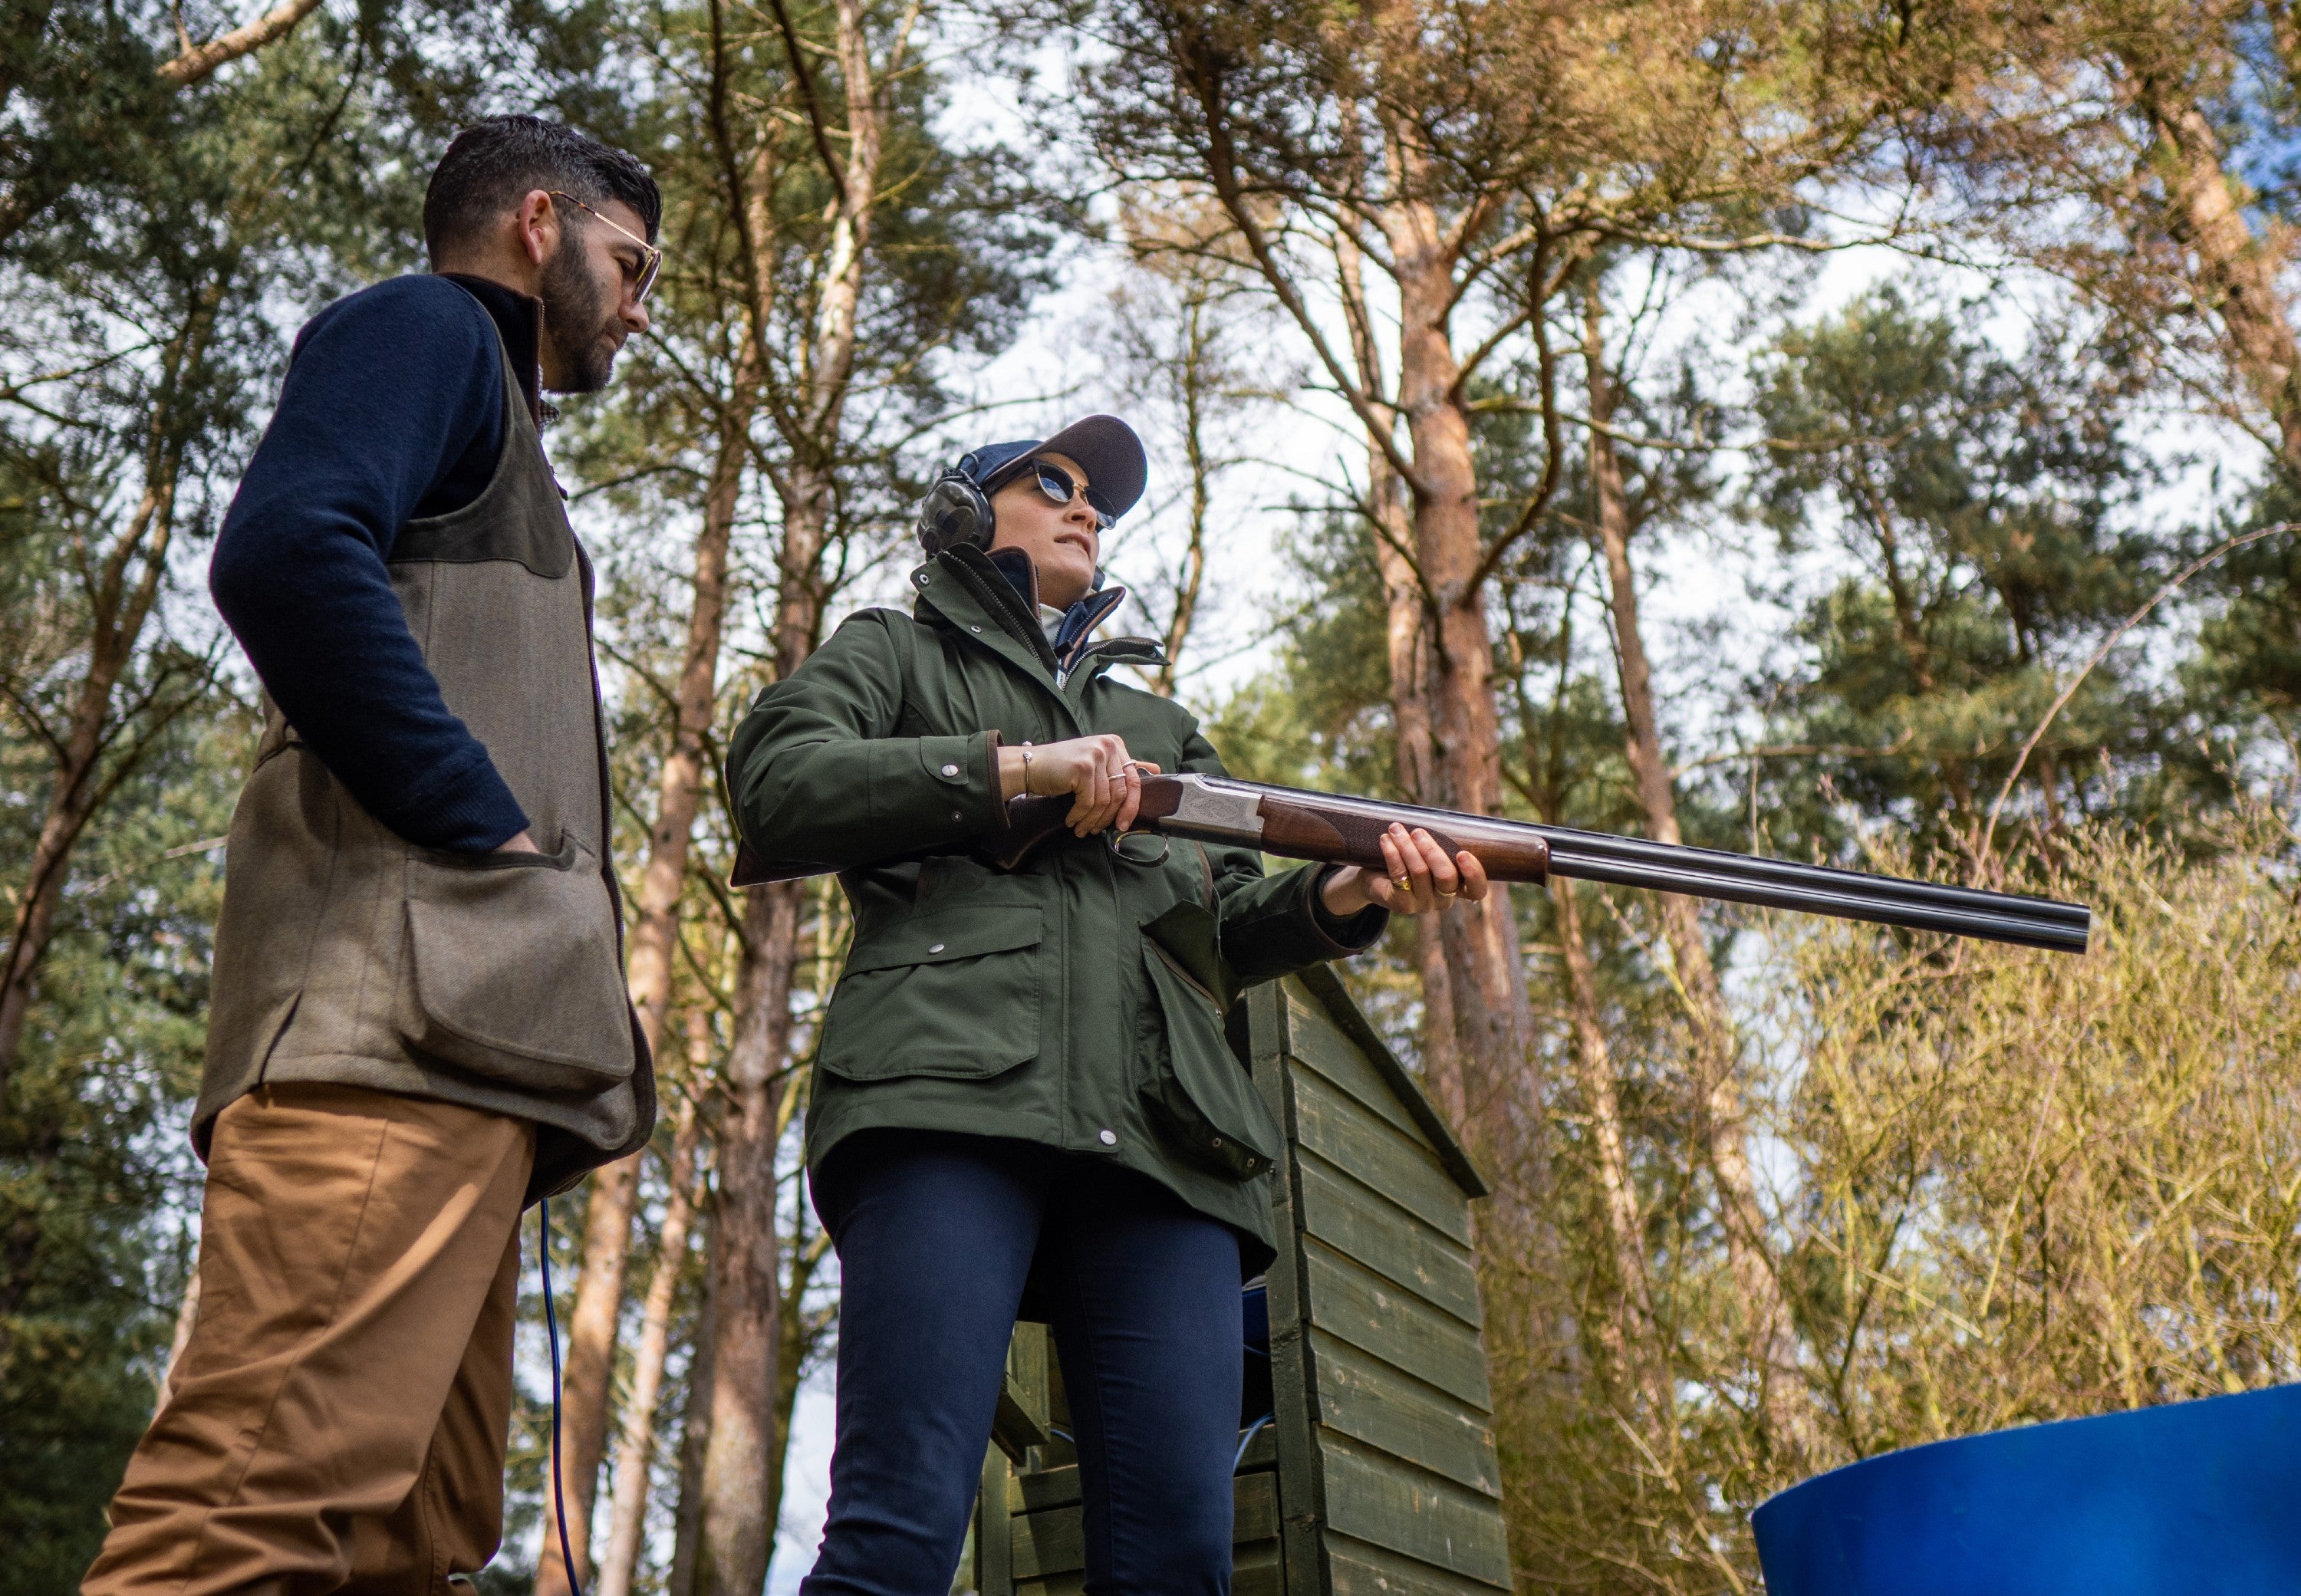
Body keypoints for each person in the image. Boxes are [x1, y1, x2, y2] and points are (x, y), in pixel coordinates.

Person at [725, 418, 1490, 1596]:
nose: (1088, 507)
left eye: (1100, 498)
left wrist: (1350, 888)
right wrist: (1022, 772)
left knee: (1182, 1562)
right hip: (944, 1101)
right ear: (967, 513)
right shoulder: (891, 650)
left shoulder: (1164, 730)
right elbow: (779, 785)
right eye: (1055, 483)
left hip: (1166, 1145)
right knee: (896, 1535)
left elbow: (1227, 930)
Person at [82, 116, 663, 1596]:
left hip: (469, 1050)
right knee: (249, 1513)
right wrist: (486, 821)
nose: (640, 302)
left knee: (413, 1544)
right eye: (629, 261)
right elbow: (282, 549)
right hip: (382, 1035)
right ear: (541, 225)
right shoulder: (427, 330)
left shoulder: (498, 424)